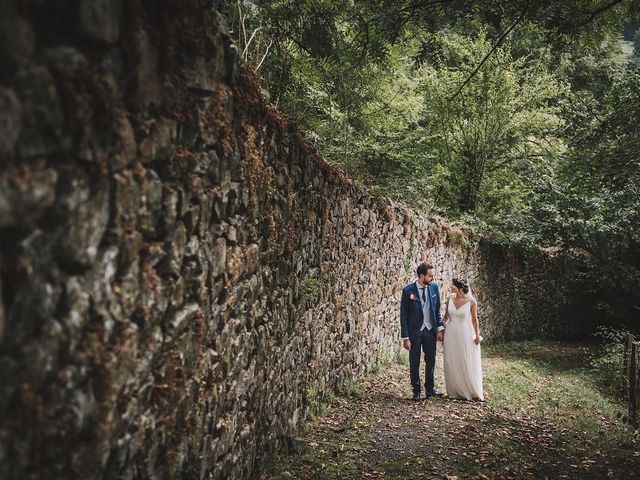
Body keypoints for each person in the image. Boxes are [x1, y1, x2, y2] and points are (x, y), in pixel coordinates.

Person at [400, 262, 445, 401]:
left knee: (430, 360)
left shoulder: (434, 287)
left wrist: (439, 329)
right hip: (415, 332)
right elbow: (404, 316)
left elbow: (437, 309)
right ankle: (416, 390)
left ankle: (430, 389)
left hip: (430, 330)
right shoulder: (408, 291)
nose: (433, 278)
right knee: (414, 361)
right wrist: (406, 337)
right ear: (421, 276)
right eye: (430, 276)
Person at [443, 277, 484, 401]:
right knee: (451, 360)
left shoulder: (471, 301)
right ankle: (454, 390)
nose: (451, 286)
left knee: (465, 358)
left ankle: (469, 389)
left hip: (465, 332)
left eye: (453, 285)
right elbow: (446, 317)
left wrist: (476, 335)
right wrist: (440, 330)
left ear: (460, 288)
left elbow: (474, 320)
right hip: (450, 332)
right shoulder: (450, 298)